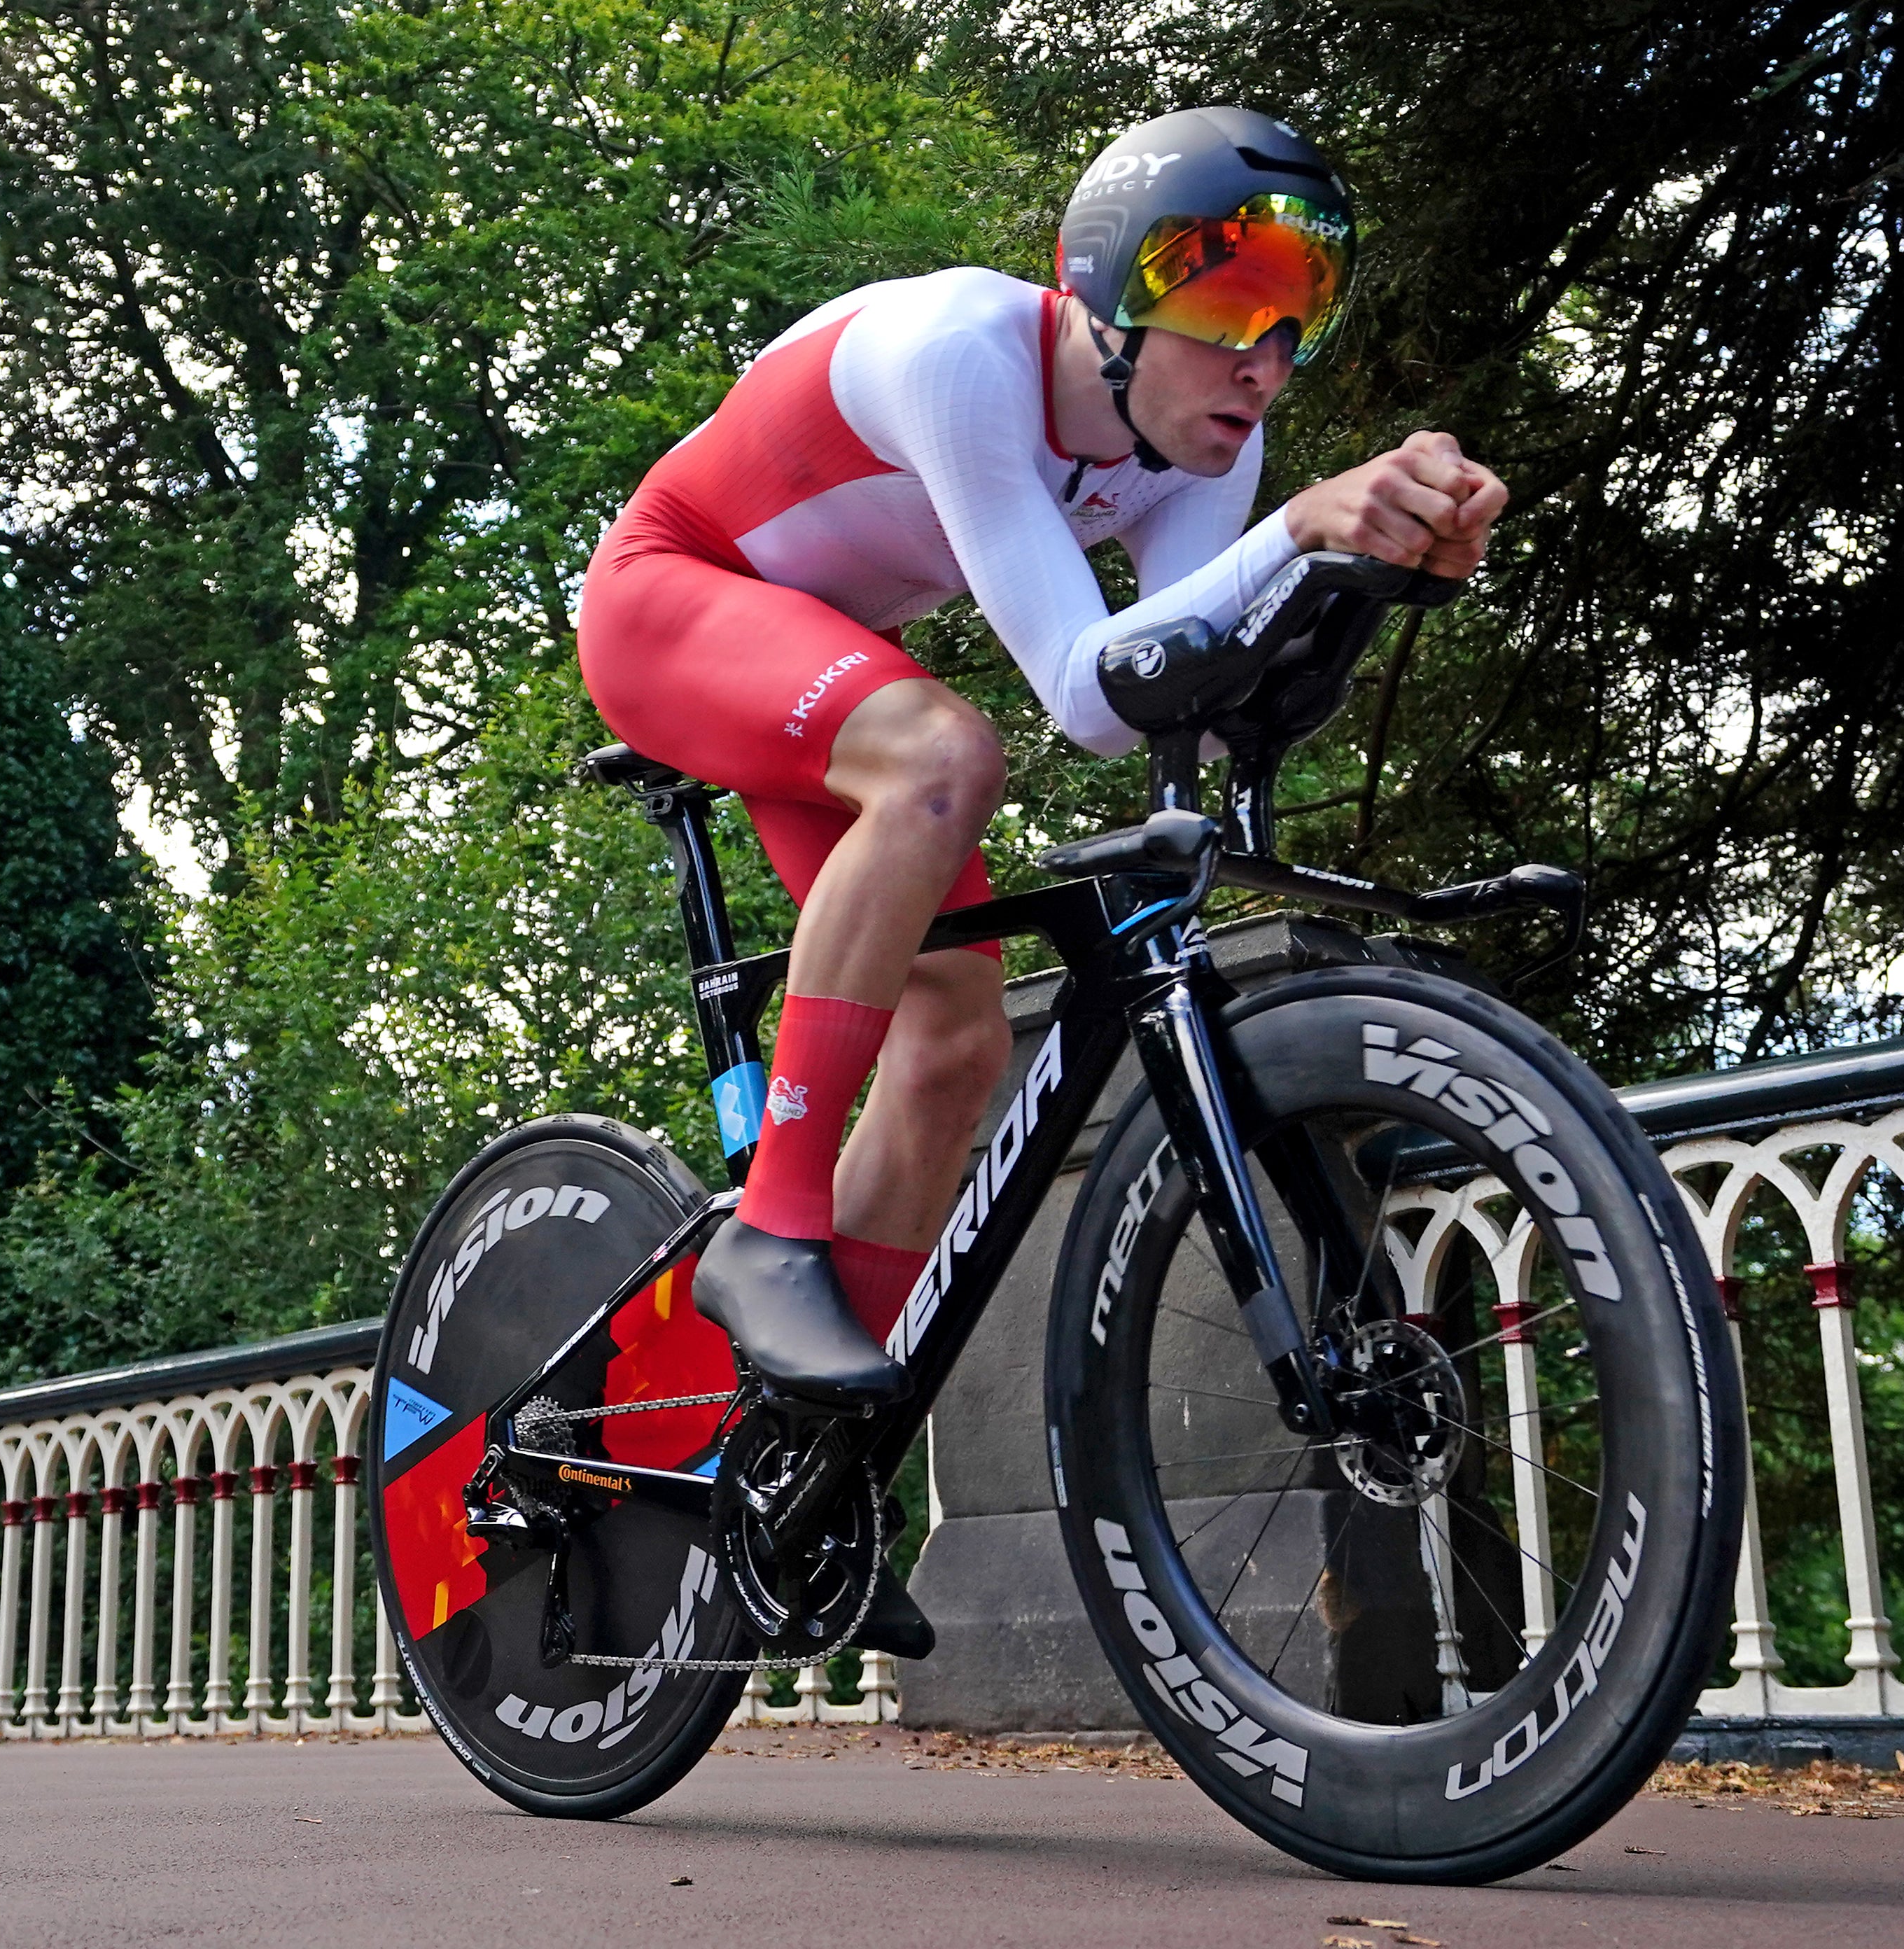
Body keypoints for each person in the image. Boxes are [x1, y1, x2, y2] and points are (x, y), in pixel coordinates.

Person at [576, 106, 1507, 1647]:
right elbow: (1082, 686)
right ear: (1098, 293)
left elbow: (1183, 685)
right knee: (945, 757)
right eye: (1223, 307)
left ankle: (801, 1469)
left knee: (950, 1046)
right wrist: (1298, 526)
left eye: (1298, 318)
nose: (1263, 361)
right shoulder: (965, 355)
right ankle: (772, 1231)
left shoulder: (1213, 440)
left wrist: (1366, 569)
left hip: (826, 664)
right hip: (677, 597)